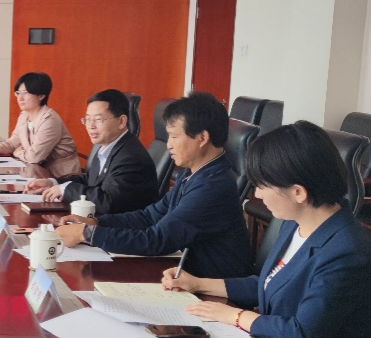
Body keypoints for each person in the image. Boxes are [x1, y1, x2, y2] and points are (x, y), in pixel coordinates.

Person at [163, 121, 371, 338]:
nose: (257, 194)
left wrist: (235, 316)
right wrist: (197, 284)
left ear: (298, 192)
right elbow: (268, 284)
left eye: (262, 186)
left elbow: (300, 335)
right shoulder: (294, 222)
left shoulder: (346, 253)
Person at [56, 92, 251, 279]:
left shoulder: (212, 187)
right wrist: (97, 223)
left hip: (209, 287)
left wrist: (87, 234)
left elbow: (157, 240)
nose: (169, 145)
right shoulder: (195, 173)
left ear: (202, 138)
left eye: (174, 136)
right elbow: (149, 216)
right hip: (183, 273)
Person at [26, 89, 158, 214]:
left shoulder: (131, 158)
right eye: (88, 119)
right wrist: (53, 183)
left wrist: (65, 190)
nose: (91, 126)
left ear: (122, 122)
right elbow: (90, 180)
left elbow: (108, 202)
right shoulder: (106, 147)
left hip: (123, 226)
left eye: (98, 119)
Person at [0, 72, 79, 179]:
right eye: (18, 93)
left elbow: (34, 157)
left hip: (61, 175)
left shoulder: (49, 120)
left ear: (41, 96)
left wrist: (18, 153)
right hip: (36, 172)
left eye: (25, 93)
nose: (20, 98)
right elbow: (13, 143)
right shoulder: (24, 116)